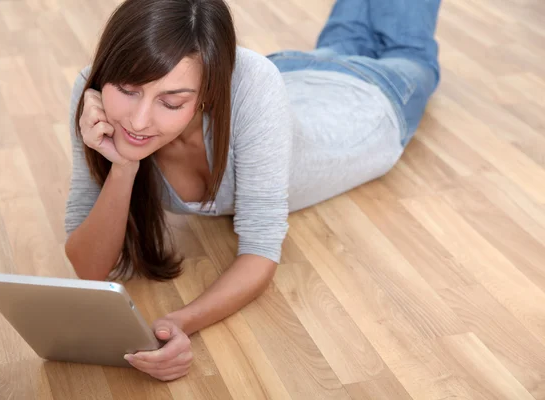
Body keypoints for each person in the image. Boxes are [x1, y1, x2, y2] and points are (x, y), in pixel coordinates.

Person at [64, 0, 441, 381]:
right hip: (293, 70)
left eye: (171, 101)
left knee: (408, 49)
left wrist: (180, 321)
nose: (138, 120)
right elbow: (90, 268)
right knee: (348, 36)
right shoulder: (94, 97)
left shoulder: (251, 84)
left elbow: (260, 250)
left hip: (367, 100)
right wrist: (124, 164)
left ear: (206, 93)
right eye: (128, 90)